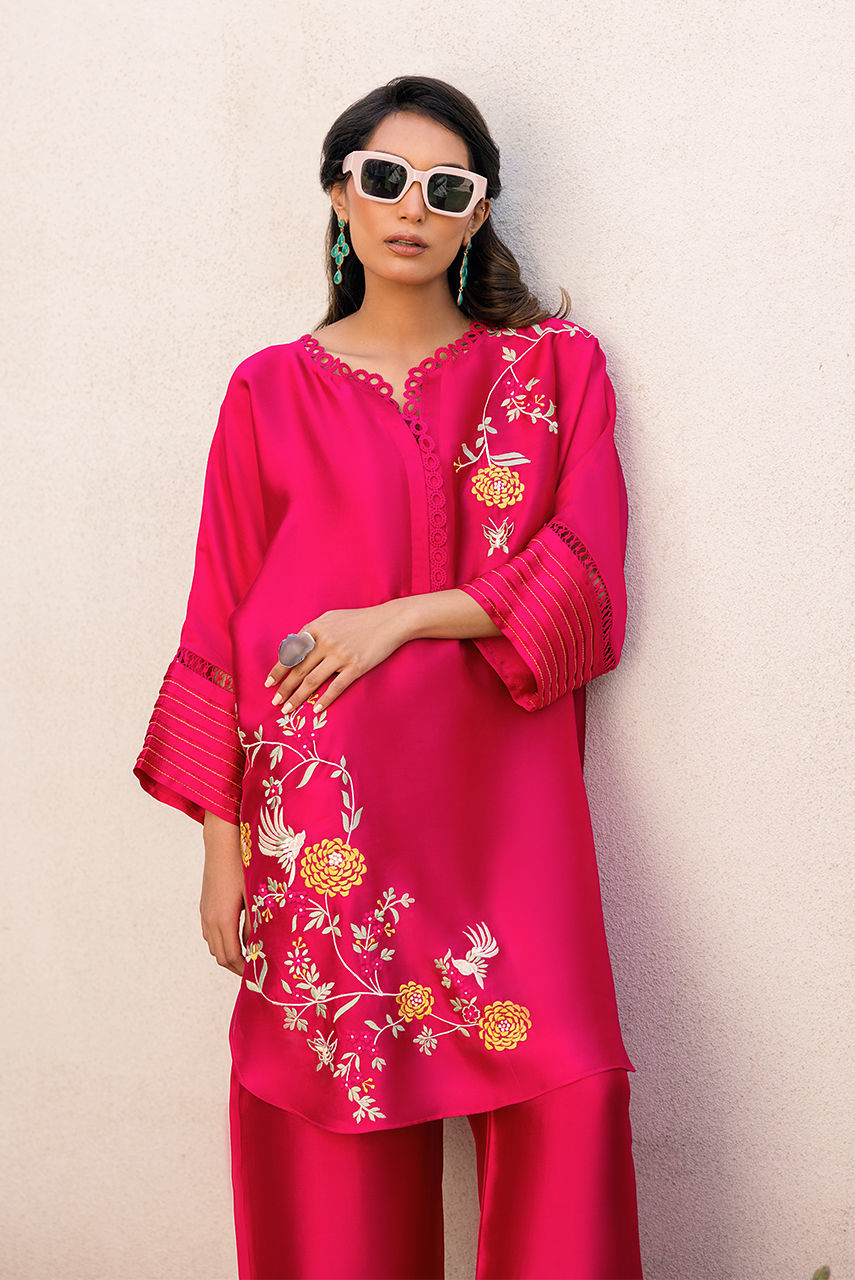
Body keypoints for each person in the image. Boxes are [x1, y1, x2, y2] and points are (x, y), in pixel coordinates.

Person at [133, 74, 644, 1280]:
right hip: (324, 827)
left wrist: (402, 618)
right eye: (385, 177)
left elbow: (584, 577)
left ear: (478, 214)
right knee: (335, 1118)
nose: (412, 206)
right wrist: (223, 846)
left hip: (509, 821)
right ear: (339, 194)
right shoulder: (266, 390)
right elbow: (219, 621)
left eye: (446, 187)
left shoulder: (553, 371)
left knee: (566, 1096)